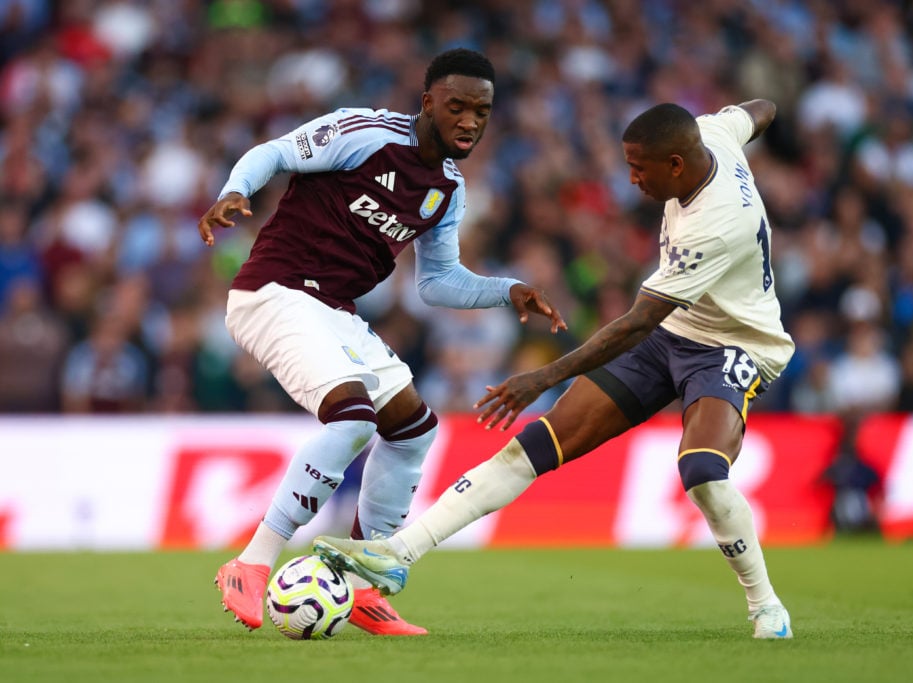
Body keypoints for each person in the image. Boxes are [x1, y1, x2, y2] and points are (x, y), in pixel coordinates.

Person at [313, 99, 797, 639]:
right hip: (675, 330)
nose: (630, 179)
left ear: (677, 165)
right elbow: (761, 109)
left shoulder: (714, 226)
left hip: (733, 345)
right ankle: (397, 554)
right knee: (531, 449)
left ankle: (766, 607)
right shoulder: (712, 133)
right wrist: (781, 135)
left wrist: (543, 376)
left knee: (703, 473)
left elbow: (636, 324)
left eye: (640, 168)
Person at [200, 48, 566, 636]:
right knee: (352, 420)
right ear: (427, 103)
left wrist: (508, 290)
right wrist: (234, 189)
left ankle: (367, 587)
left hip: (333, 311)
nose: (470, 121)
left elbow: (438, 283)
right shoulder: (366, 133)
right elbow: (276, 151)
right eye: (457, 107)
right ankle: (251, 562)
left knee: (413, 428)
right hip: (274, 291)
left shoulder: (447, 189)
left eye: (482, 111)